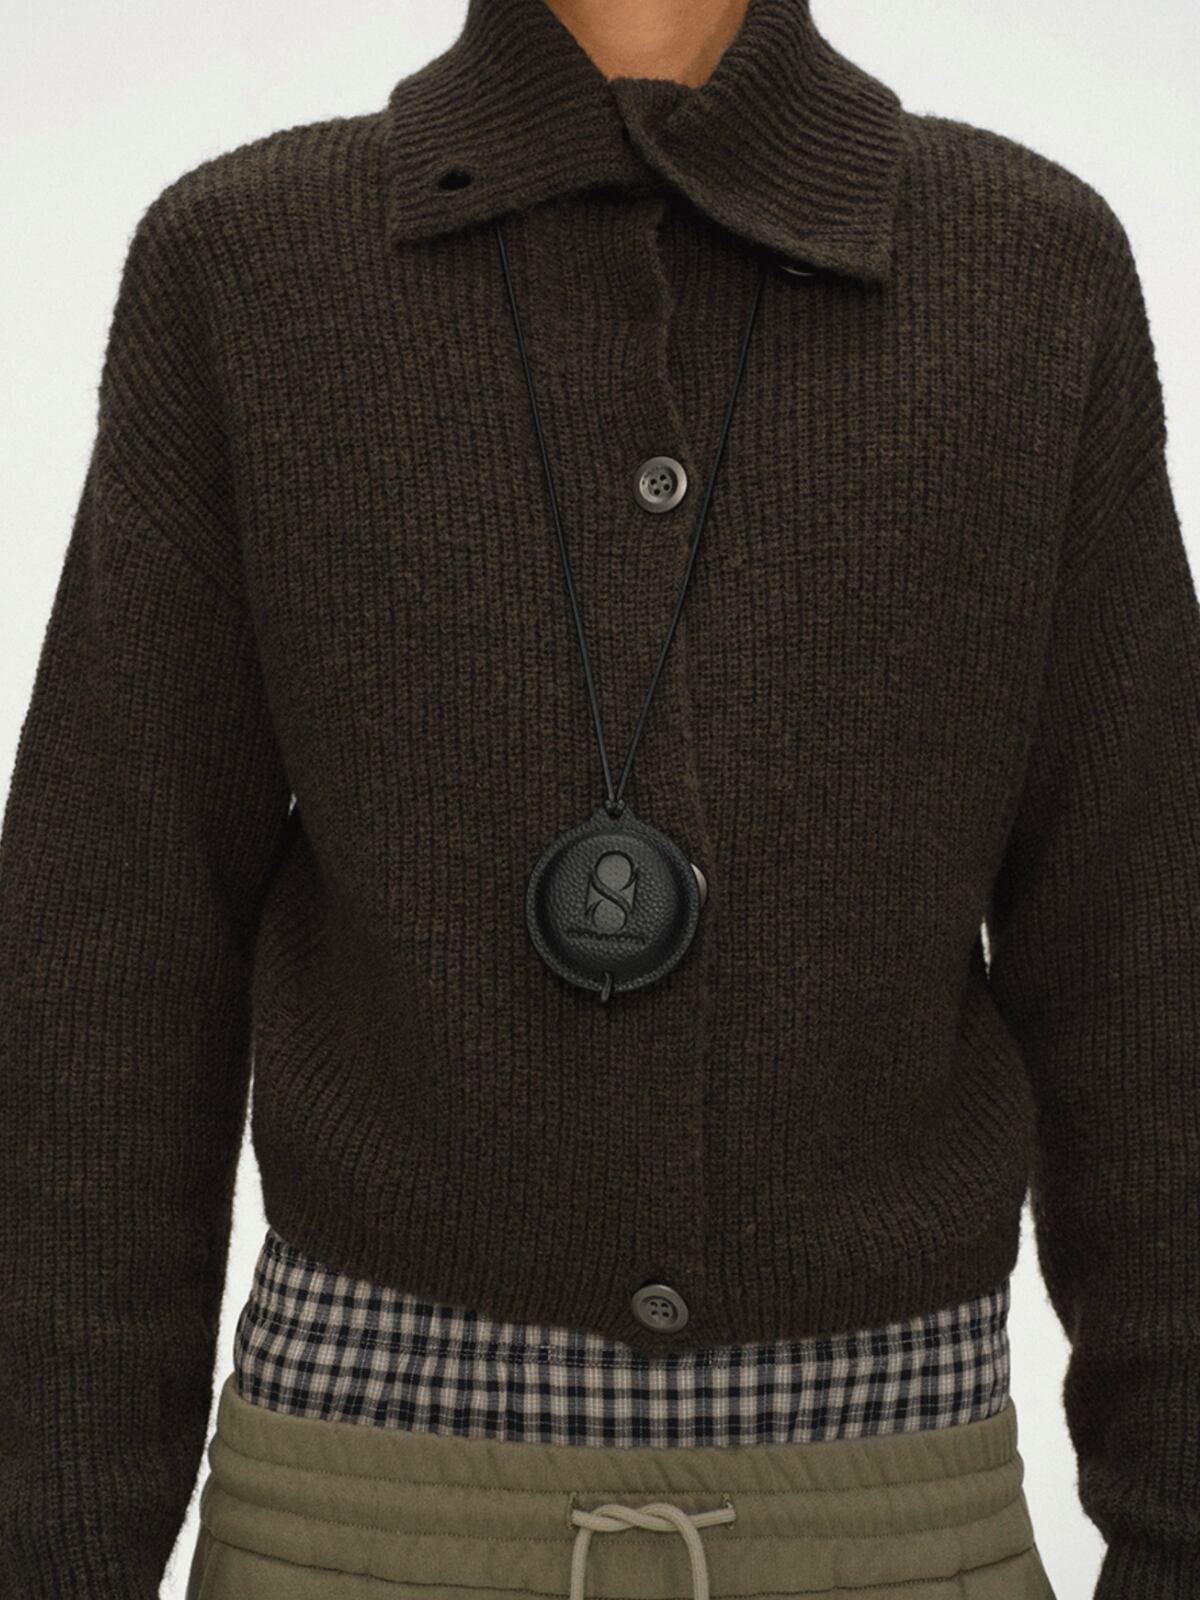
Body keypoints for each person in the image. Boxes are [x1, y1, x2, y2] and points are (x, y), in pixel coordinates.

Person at [1, 0, 1196, 1595]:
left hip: (899, 1525)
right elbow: (105, 971)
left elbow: (1143, 965)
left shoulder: (1029, 272)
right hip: (347, 1524)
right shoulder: (251, 266)